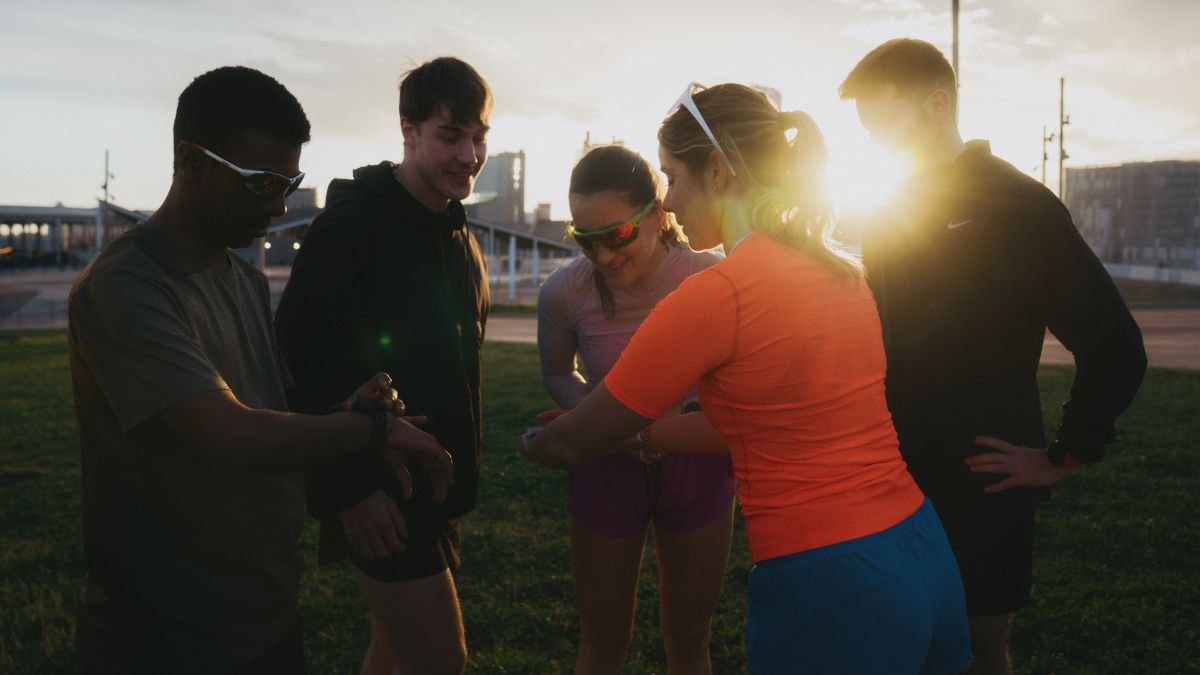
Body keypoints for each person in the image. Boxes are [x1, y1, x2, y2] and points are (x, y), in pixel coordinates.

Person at [522, 82, 972, 674]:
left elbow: (576, 440)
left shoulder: (717, 294)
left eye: (673, 178)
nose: (673, 202)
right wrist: (642, 438)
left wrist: (535, 443)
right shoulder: (840, 270)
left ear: (716, 169)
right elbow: (746, 421)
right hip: (920, 545)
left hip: (829, 576)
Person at [67, 66, 453, 674]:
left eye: (289, 182)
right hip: (162, 638)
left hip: (264, 618)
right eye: (262, 182)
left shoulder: (241, 276)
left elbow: (266, 414)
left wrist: (347, 410)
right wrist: (371, 430)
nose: (278, 204)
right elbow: (231, 437)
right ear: (192, 161)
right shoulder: (124, 286)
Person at [838, 38, 1147, 675]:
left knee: (978, 643)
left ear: (937, 104)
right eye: (867, 130)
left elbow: (1116, 346)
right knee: (903, 639)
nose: (875, 143)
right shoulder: (887, 208)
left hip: (982, 476)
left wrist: (1066, 453)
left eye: (884, 123)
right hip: (891, 470)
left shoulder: (1020, 207)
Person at [274, 56, 490, 675]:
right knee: (441, 660)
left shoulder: (458, 234)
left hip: (433, 489)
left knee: (391, 651)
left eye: (479, 138)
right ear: (409, 131)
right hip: (378, 493)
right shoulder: (352, 226)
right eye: (451, 136)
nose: (468, 155)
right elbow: (297, 359)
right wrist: (351, 490)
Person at [537, 145, 735, 674]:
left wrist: (650, 427)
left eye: (617, 235)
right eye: (586, 240)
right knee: (602, 643)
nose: (602, 257)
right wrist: (597, 421)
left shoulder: (710, 277)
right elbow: (558, 371)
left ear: (658, 214)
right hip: (605, 464)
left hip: (696, 463)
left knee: (690, 637)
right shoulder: (563, 291)